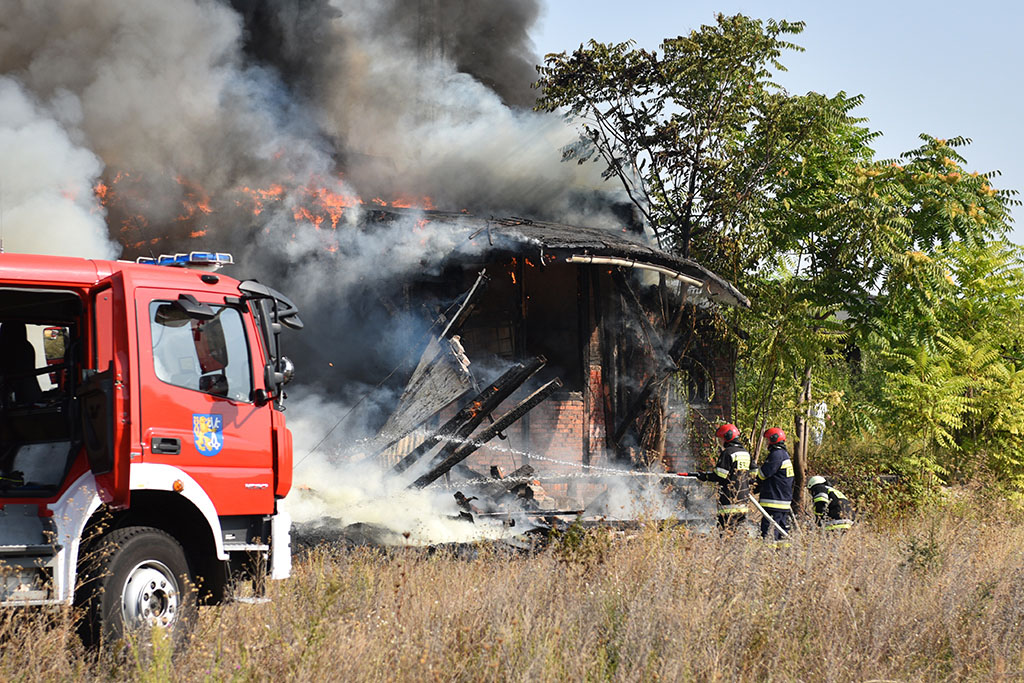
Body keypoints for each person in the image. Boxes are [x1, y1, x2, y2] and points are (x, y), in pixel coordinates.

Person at [694, 423, 751, 533]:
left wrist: (704, 476)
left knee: (725, 533)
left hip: (729, 501)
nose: (720, 442)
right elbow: (753, 471)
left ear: (728, 437)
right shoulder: (745, 453)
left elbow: (720, 475)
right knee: (739, 534)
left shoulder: (728, 453)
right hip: (743, 501)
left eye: (721, 439)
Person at [753, 427, 794, 540]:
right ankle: (782, 554)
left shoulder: (776, 455)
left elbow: (763, 474)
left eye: (767, 440)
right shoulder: (784, 455)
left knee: (769, 533)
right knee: (781, 533)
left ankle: (767, 555)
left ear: (773, 439)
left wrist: (754, 475)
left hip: (774, 501)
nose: (766, 443)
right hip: (783, 502)